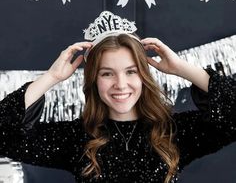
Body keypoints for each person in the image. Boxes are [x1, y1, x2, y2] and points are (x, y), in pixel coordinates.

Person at [0, 11, 236, 183]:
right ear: (94, 79)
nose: (120, 84)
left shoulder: (173, 133)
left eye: (131, 71)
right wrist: (51, 77)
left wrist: (183, 69)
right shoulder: (76, 138)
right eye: (107, 73)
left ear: (143, 75)